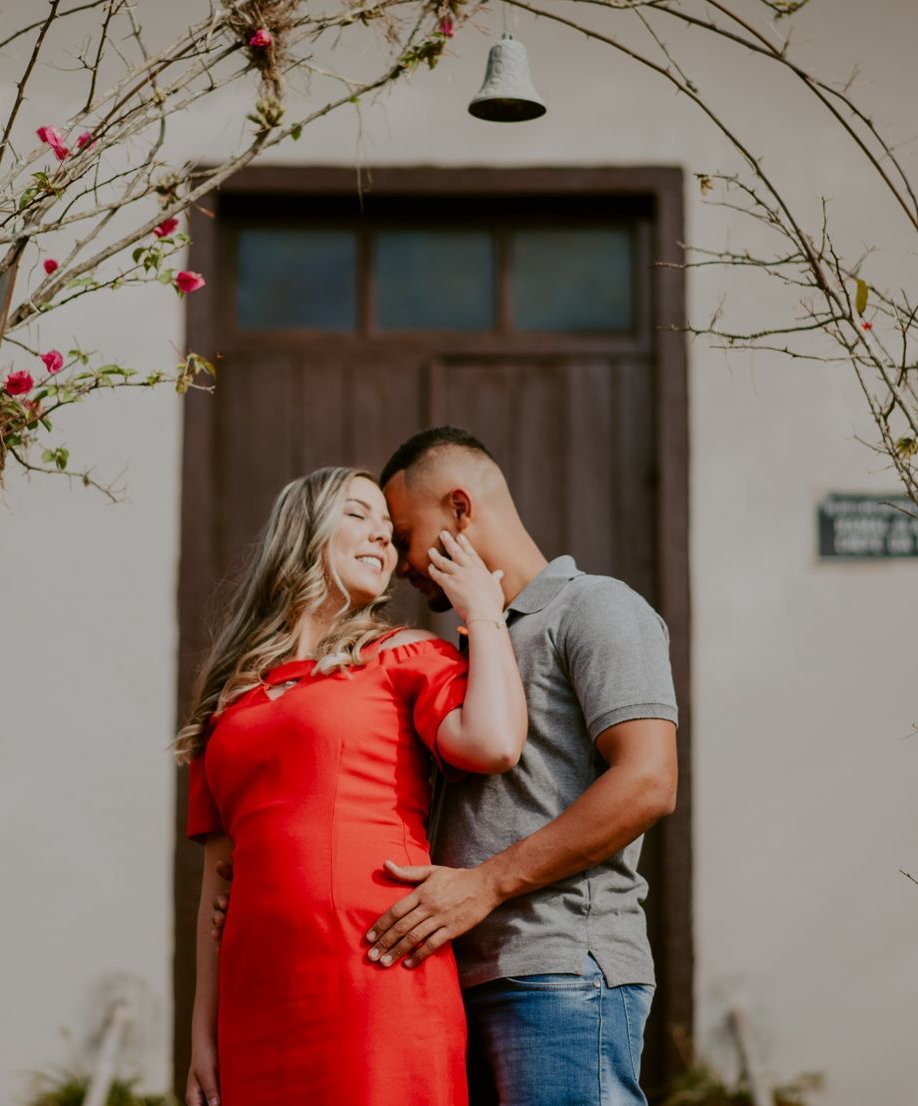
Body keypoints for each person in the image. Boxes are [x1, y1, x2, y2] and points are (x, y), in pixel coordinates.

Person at [214, 427, 681, 1106]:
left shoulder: (595, 608)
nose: (398, 560)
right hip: (460, 975)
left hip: (560, 971)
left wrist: (484, 886)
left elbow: (648, 783)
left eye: (403, 535)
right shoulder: (465, 646)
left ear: (460, 509)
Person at [177, 465, 528, 1106]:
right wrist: (203, 1032)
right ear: (303, 531)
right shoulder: (228, 700)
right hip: (257, 997)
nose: (382, 540)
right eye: (358, 514)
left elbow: (495, 742)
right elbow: (215, 880)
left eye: (389, 532)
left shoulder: (403, 655)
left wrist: (484, 613)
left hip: (374, 971)